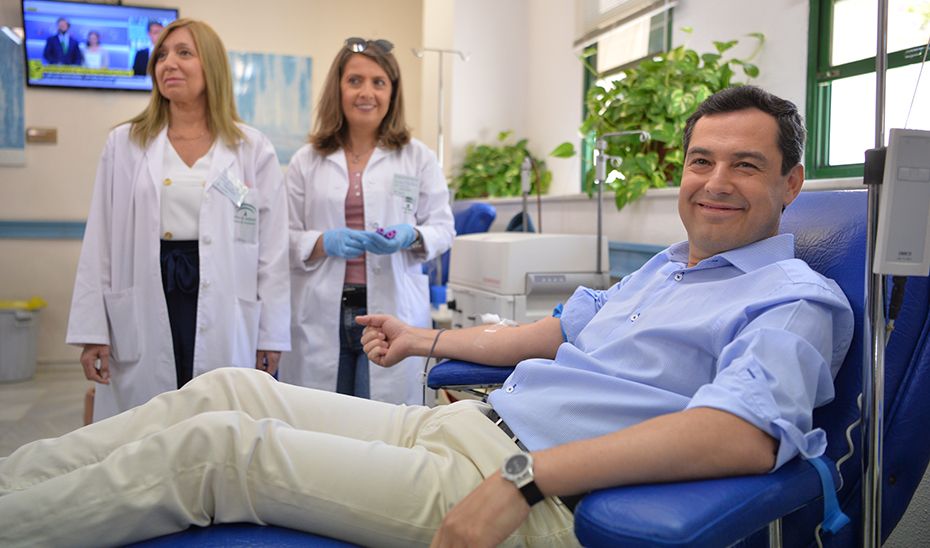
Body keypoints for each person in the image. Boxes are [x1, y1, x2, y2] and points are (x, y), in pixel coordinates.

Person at [0, 86, 853, 547]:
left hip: (531, 485)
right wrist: (426, 338)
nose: (714, 182)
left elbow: (741, 434)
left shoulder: (791, 300)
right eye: (701, 161)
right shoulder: (668, 268)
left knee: (221, 451)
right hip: (470, 427)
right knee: (229, 389)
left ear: (791, 183)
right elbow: (554, 332)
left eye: (745, 165)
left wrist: (526, 479)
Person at [64, 18, 290, 422]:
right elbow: (100, 240)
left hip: (222, 294)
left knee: (217, 418)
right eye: (162, 56)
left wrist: (271, 334)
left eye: (184, 53)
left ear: (212, 66)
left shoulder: (251, 147)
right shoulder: (125, 143)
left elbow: (272, 252)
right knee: (149, 422)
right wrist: (92, 330)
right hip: (150, 288)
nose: (168, 63)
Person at [279, 37, 454, 403]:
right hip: (321, 312)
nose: (366, 93)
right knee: (320, 420)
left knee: (381, 425)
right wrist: (322, 242)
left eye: (378, 82)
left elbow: (443, 229)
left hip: (391, 313)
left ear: (392, 92)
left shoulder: (417, 157)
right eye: (355, 81)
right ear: (338, 88)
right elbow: (281, 236)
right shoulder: (306, 160)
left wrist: (411, 235)